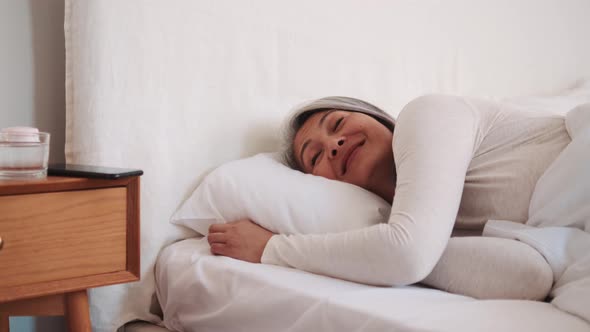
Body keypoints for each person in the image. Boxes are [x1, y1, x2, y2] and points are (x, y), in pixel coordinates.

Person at [207, 94, 569, 287]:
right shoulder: (423, 227)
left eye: (337, 123)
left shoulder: (428, 114)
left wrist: (272, 248)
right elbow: (529, 276)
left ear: (378, 117)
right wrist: (374, 248)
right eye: (316, 157)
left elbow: (407, 255)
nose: (334, 145)